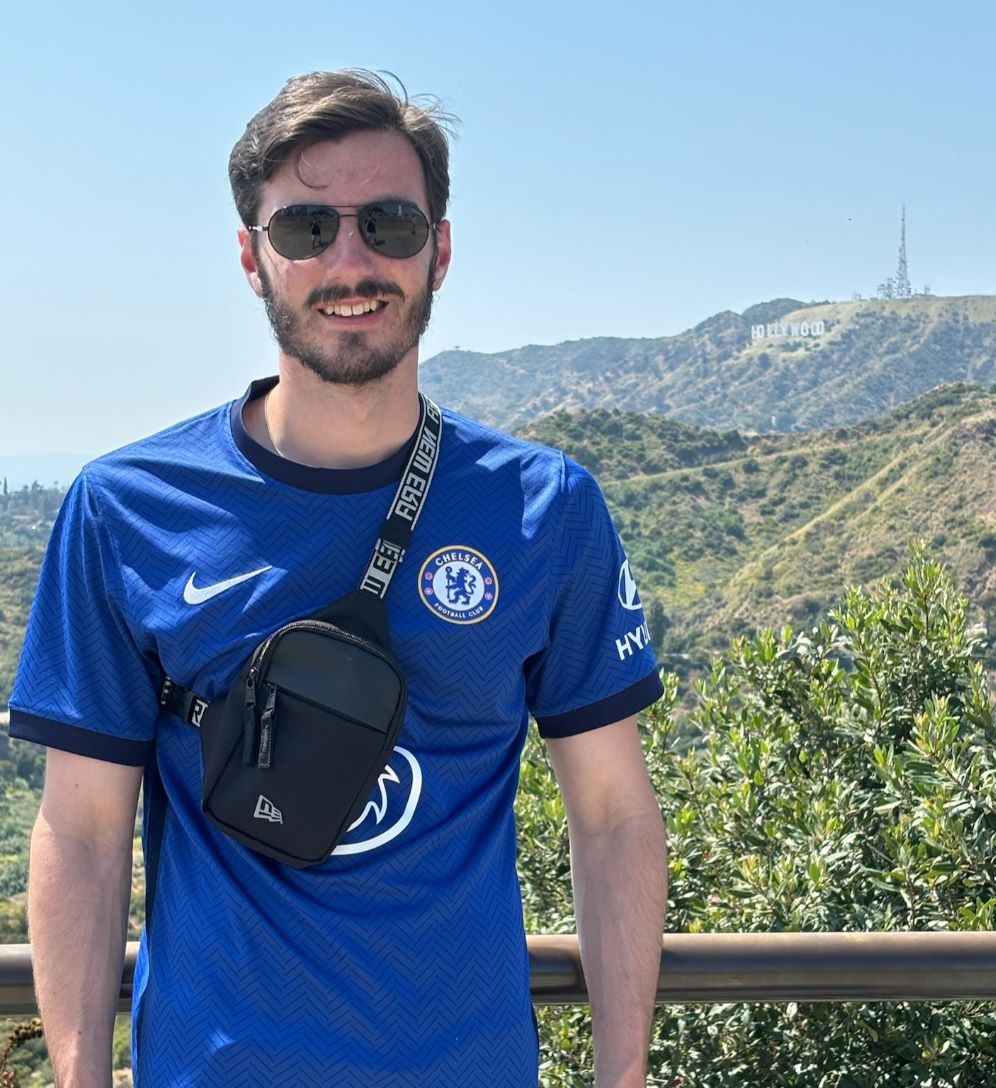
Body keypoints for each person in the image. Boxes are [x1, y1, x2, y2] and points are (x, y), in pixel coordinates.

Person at [9, 69, 667, 1087]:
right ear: (251, 257)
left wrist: (622, 1075)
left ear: (439, 249)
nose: (349, 260)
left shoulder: (545, 509)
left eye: (389, 224)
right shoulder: (124, 508)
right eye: (307, 227)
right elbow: (82, 833)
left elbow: (615, 814)